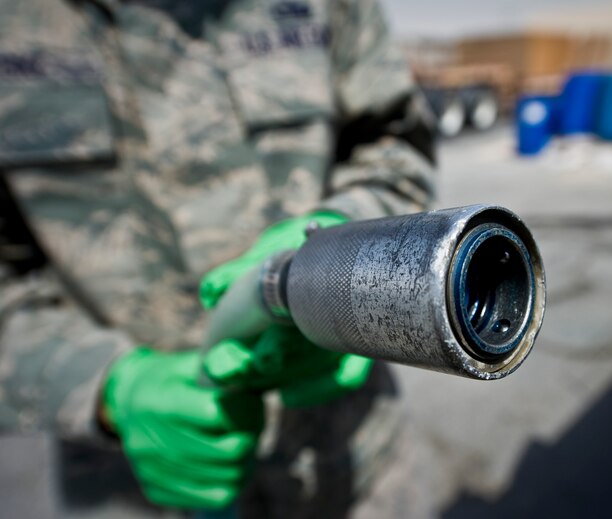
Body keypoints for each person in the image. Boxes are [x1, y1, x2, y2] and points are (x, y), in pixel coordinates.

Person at [0, 0, 436, 516]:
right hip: (134, 482)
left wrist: (351, 248)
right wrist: (105, 386)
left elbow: (393, 150)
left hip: (349, 465)